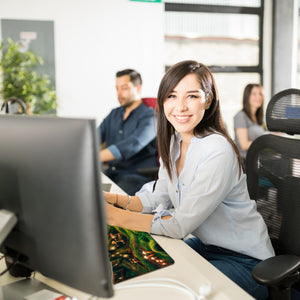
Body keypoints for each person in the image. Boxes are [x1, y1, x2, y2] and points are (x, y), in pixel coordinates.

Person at [104, 61, 275, 300]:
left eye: (192, 96)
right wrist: (111, 199)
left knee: (173, 294)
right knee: (139, 267)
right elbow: (159, 196)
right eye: (172, 96)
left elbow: (179, 225)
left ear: (208, 100)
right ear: (163, 100)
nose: (180, 106)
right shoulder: (175, 141)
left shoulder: (217, 149)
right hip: (206, 247)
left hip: (246, 261)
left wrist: (111, 216)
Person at [99, 69, 158, 195]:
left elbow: (133, 144)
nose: (119, 93)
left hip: (137, 176)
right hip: (112, 172)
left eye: (124, 88)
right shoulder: (114, 114)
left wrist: (95, 156)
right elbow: (92, 138)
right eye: (117, 88)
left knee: (110, 202)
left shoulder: (150, 116)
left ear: (138, 88)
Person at [234, 83, 266, 162]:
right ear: (247, 97)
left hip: (257, 159)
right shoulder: (241, 116)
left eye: (260, 94)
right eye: (254, 94)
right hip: (245, 162)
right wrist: (267, 141)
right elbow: (244, 145)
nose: (258, 97)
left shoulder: (259, 118)